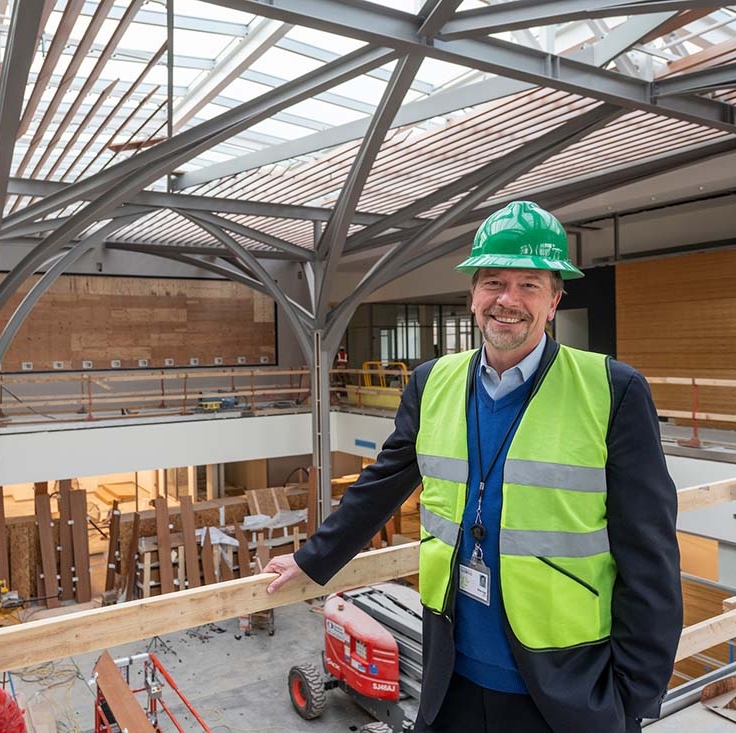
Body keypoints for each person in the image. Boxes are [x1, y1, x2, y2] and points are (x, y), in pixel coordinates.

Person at [265, 201, 682, 733]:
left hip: (563, 685)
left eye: (528, 285)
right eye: (493, 283)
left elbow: (649, 555)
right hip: (452, 673)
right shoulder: (432, 382)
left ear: (554, 300)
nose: (508, 300)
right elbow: (381, 485)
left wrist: (634, 702)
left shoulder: (613, 391)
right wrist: (312, 560)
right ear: (473, 295)